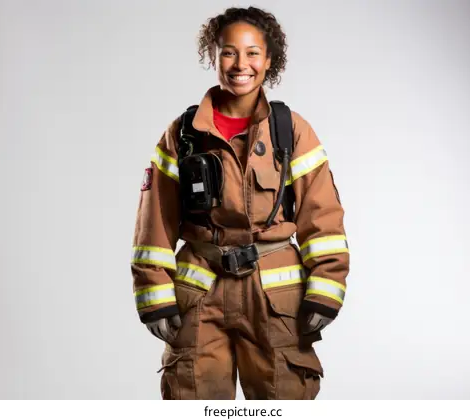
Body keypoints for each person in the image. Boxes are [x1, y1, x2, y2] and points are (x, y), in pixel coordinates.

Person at [130, 6, 350, 400]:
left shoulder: (292, 131)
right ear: (213, 56)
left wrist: (326, 285)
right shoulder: (183, 135)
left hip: (275, 299)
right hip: (200, 294)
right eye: (228, 52)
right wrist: (155, 296)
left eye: (252, 53)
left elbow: (323, 218)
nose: (240, 64)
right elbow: (154, 223)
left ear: (269, 60)